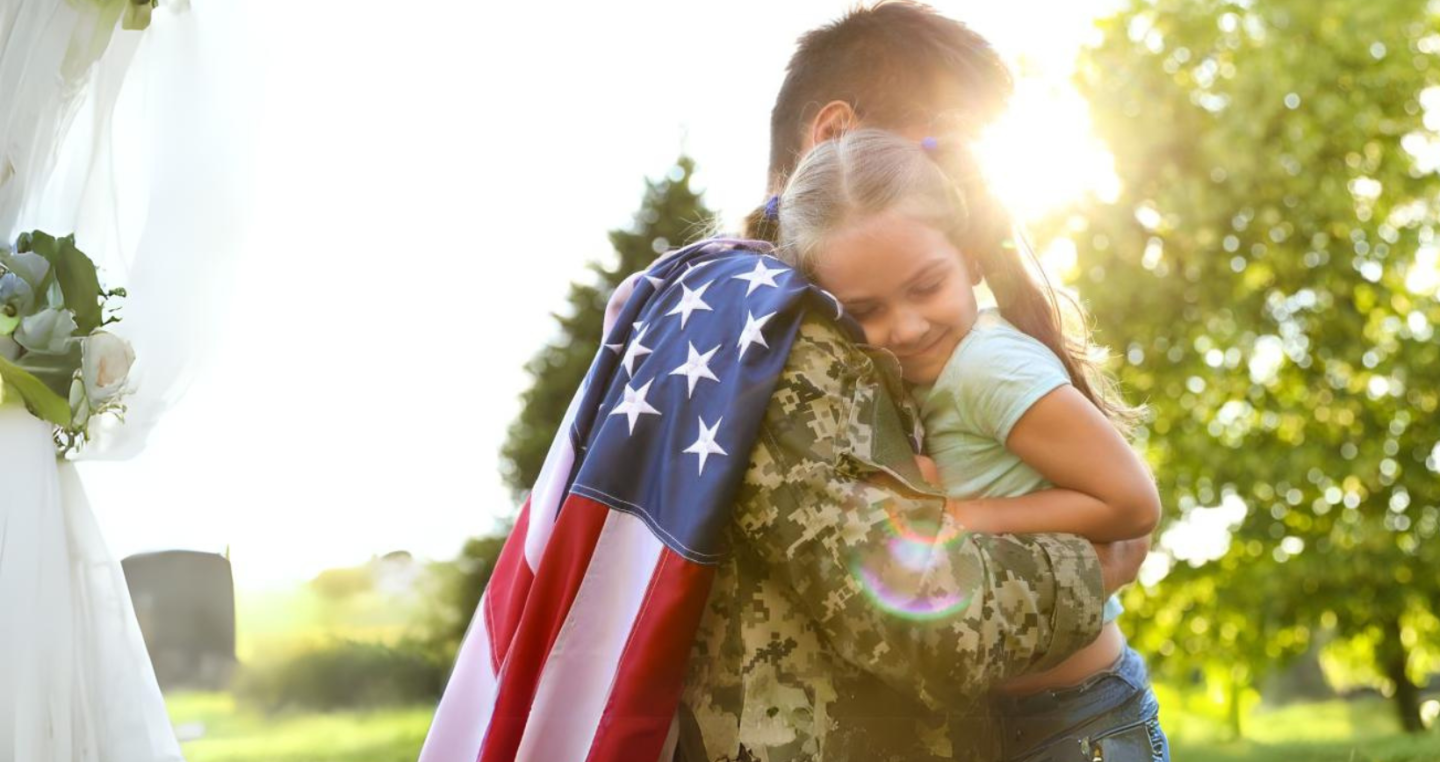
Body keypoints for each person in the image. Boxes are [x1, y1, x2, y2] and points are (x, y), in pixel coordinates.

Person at [418, 4, 1148, 761]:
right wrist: (1089, 566)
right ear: (832, 136)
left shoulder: (700, 309)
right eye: (939, 151)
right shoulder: (778, 326)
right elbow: (921, 621)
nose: (962, 193)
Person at [768, 127, 1169, 760]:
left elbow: (1133, 504)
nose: (905, 326)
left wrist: (973, 516)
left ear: (971, 259)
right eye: (865, 310)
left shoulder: (989, 366)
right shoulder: (924, 377)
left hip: (1081, 717)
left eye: (926, 287)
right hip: (1013, 720)